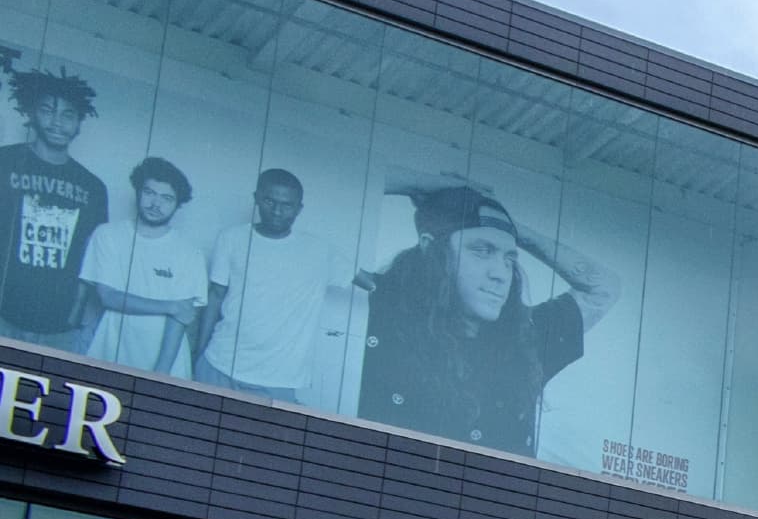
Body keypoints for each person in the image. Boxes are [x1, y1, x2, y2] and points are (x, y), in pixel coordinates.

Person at [354, 174, 619, 455]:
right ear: (430, 246)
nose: (500, 274)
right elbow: (328, 202)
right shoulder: (377, 309)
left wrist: (514, 230)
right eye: (482, 251)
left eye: (509, 259)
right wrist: (417, 183)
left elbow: (604, 287)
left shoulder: (525, 339)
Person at [201, 168, 354, 405]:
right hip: (217, 366)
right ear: (256, 198)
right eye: (269, 201)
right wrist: (199, 352)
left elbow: (373, 283)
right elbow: (215, 297)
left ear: (299, 209)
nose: (277, 211)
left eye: (287, 205)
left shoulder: (320, 251)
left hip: (277, 381)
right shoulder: (231, 238)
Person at [0, 61, 111, 346]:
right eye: (48, 111)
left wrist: (79, 316)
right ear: (31, 112)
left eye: (67, 115)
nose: (57, 122)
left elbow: (94, 259)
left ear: (79, 123)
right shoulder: (4, 161)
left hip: (59, 327)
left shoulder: (93, 188)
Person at [78, 158, 204, 374]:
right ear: (137, 191)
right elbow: (108, 297)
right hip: (109, 349)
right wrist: (170, 306)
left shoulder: (190, 253)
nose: (156, 204)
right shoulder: (107, 235)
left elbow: (181, 318)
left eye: (166, 198)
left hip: (165, 362)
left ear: (178, 204)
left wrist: (161, 371)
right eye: (149, 192)